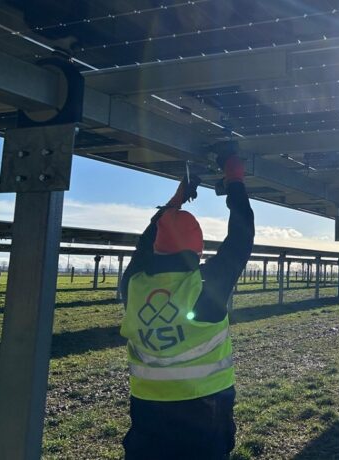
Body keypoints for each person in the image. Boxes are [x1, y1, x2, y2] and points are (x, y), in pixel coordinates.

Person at [119, 154, 253, 459]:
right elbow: (241, 237)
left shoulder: (134, 284)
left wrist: (176, 201)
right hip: (203, 413)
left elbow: (145, 244)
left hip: (147, 416)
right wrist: (234, 181)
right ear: (198, 249)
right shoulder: (204, 287)